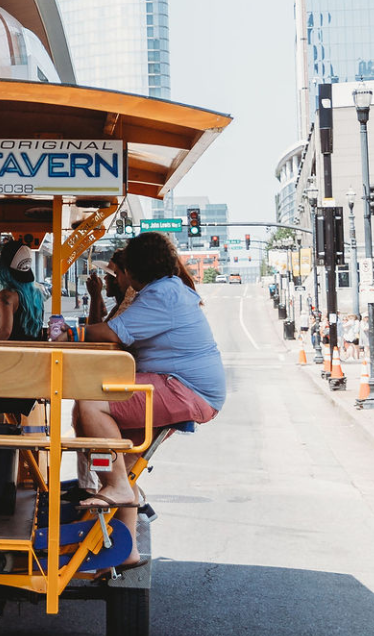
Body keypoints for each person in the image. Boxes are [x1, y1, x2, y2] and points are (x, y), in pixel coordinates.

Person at [76, 232, 226, 560]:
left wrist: (65, 333)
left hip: (184, 388)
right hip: (182, 387)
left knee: (90, 401)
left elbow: (114, 332)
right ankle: (125, 551)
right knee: (124, 466)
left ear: (136, 268)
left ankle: (113, 489)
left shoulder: (162, 294)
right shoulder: (167, 290)